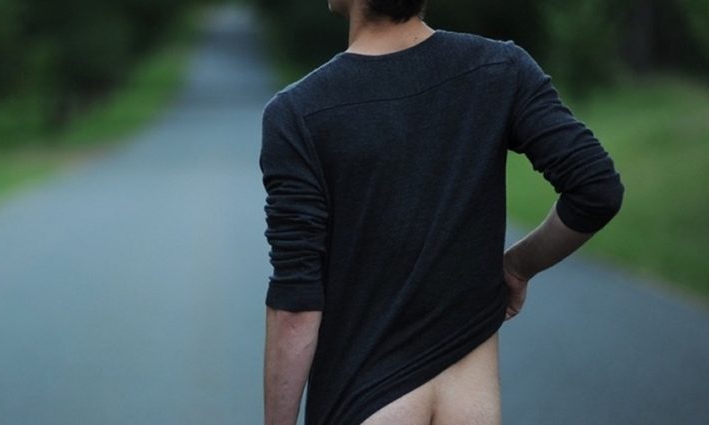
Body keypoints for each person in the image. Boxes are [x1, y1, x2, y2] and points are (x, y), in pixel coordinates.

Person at [259, 0, 625, 424]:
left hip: (364, 406)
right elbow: (596, 189)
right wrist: (517, 267)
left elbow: (296, 307)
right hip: (472, 408)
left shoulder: (298, 113)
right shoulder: (500, 70)